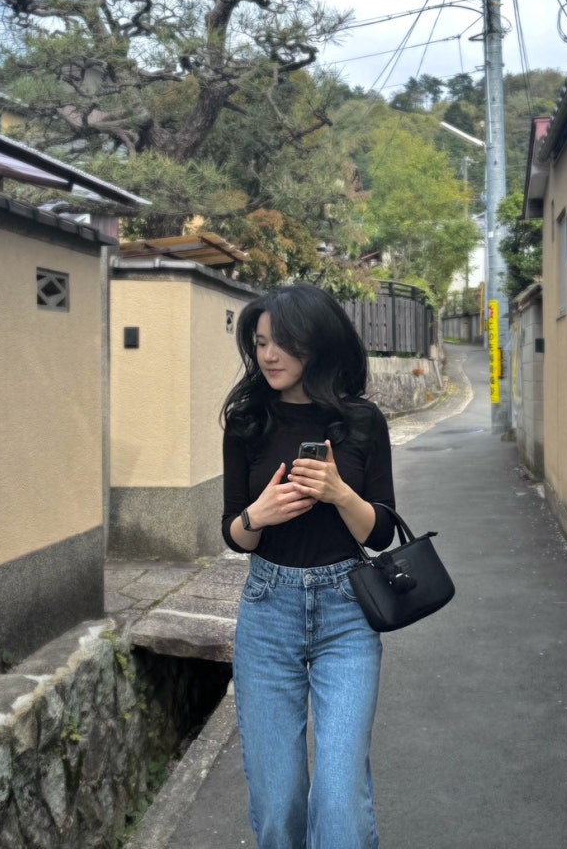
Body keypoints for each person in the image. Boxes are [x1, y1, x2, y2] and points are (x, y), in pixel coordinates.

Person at [221, 283, 397, 849]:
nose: (268, 355)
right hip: (267, 613)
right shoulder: (247, 420)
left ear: (316, 344)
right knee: (278, 805)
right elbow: (233, 534)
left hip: (347, 614)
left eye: (283, 343)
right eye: (260, 343)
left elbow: (382, 532)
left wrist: (340, 493)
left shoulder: (361, 421)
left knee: (340, 801)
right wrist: (258, 515)